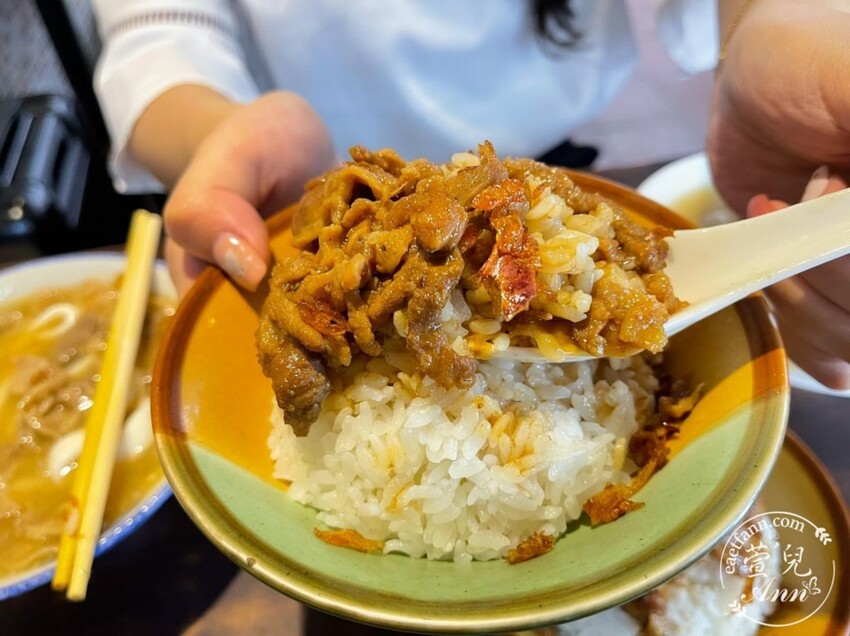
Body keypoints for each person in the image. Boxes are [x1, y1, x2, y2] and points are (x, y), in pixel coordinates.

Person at [90, 0, 850, 390]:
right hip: (311, 186)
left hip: (568, 174)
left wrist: (768, 24)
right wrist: (214, 133)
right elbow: (159, 32)